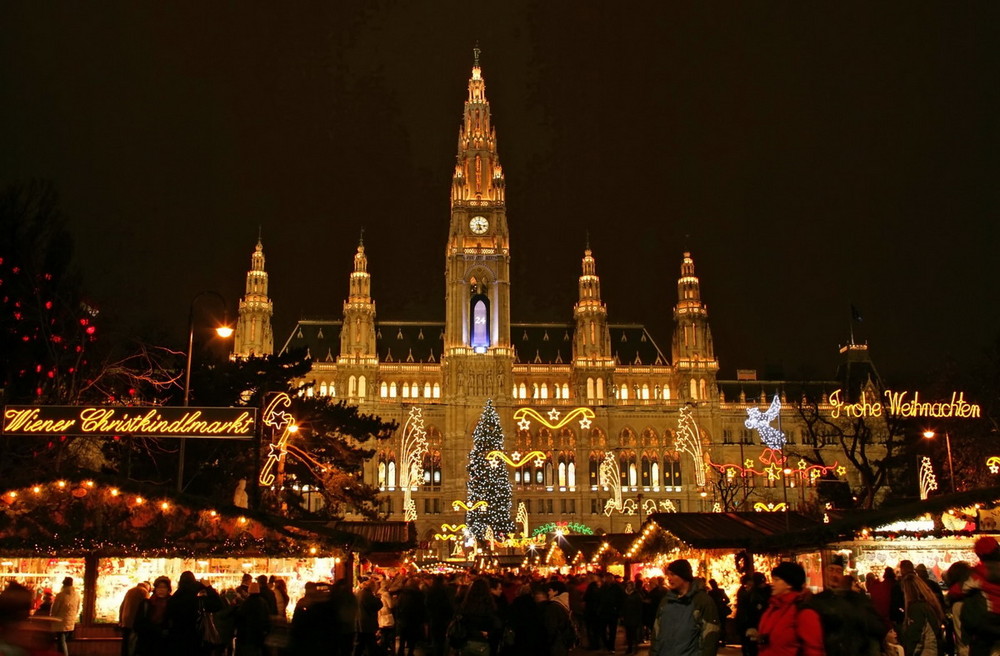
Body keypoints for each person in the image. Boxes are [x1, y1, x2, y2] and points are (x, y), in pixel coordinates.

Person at [808, 555, 886, 656]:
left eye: (838, 572)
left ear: (843, 576)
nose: (834, 575)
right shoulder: (817, 601)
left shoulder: (858, 600)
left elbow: (877, 627)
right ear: (825, 572)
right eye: (831, 570)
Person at [651, 559, 720, 656]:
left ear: (684, 576)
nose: (669, 578)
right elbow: (656, 633)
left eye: (673, 574)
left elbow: (710, 637)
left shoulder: (702, 601)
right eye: (668, 574)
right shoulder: (666, 601)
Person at [756, 562, 824, 656]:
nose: (772, 584)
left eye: (777, 580)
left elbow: (813, 649)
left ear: (789, 584)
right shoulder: (773, 607)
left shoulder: (802, 611)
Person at [899, 574, 944, 656]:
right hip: (935, 649)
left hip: (926, 651)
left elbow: (916, 636)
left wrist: (909, 652)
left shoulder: (916, 608)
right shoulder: (930, 604)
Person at [734, 573, 770, 656]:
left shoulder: (753, 593)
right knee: (751, 648)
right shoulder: (749, 594)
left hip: (754, 625)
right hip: (752, 625)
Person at [135, 576, 172, 656]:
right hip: (148, 644)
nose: (161, 590)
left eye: (164, 587)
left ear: (168, 589)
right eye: (159, 587)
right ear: (155, 589)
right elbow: (138, 624)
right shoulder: (147, 603)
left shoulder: (172, 604)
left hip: (165, 644)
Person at [234, 582, 271, 656]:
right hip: (259, 633)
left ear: (249, 591)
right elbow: (267, 617)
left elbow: (240, 617)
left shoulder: (246, 603)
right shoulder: (263, 602)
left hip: (247, 634)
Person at [49, 577, 81, 656]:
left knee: (61, 642)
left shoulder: (60, 595)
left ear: (63, 585)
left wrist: (52, 616)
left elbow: (55, 609)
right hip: (70, 623)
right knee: (62, 641)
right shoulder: (77, 595)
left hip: (60, 622)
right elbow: (78, 608)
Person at [119, 581, 150, 656]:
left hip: (125, 621)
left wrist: (121, 620)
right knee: (133, 644)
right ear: (148, 586)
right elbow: (146, 607)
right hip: (134, 622)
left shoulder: (130, 590)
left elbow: (122, 606)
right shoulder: (144, 592)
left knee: (125, 643)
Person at [355, 577, 383, 656]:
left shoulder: (359, 593)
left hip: (360, 622)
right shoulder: (368, 595)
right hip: (367, 624)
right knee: (370, 645)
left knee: (360, 644)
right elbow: (376, 606)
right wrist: (378, 598)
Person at [621, 581, 644, 655]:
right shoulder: (625, 594)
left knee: (634, 633)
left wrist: (639, 616)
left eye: (630, 585)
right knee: (628, 633)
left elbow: (640, 606)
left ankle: (635, 648)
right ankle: (629, 647)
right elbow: (622, 605)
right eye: (628, 585)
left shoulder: (637, 595)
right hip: (627, 616)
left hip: (634, 616)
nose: (629, 587)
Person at [706, 579, 731, 647]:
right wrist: (722, 603)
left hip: (717, 611)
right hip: (721, 611)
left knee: (717, 626)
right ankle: (722, 640)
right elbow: (727, 600)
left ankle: (718, 640)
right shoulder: (720, 591)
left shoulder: (711, 593)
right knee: (722, 625)